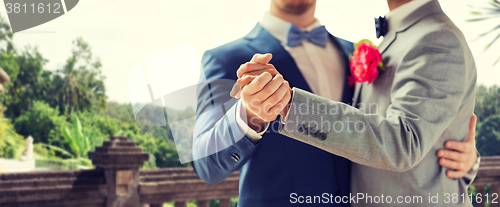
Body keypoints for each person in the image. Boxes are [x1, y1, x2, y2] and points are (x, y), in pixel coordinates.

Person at [192, 0, 478, 206]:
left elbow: (402, 131)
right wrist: (248, 115)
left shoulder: (353, 52)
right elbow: (205, 164)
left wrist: (465, 159)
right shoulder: (223, 59)